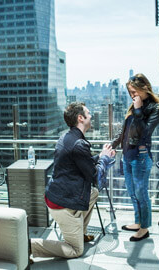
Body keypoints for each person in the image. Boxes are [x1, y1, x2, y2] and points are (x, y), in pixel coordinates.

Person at [31, 102, 115, 259]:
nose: (91, 116)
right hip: (62, 203)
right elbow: (95, 176)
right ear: (81, 118)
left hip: (58, 194)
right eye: (89, 114)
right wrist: (104, 159)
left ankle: (81, 233)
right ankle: (31, 246)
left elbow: (83, 163)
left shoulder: (67, 137)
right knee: (75, 251)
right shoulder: (78, 143)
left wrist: (102, 155)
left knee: (93, 193)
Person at [111, 73, 159, 241]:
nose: (132, 95)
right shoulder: (134, 106)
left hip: (140, 156)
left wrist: (139, 110)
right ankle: (138, 221)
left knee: (141, 193)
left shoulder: (156, 108)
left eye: (134, 92)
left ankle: (144, 228)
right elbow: (124, 130)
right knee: (132, 191)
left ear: (144, 88)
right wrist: (112, 144)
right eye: (130, 92)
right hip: (127, 154)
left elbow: (145, 133)